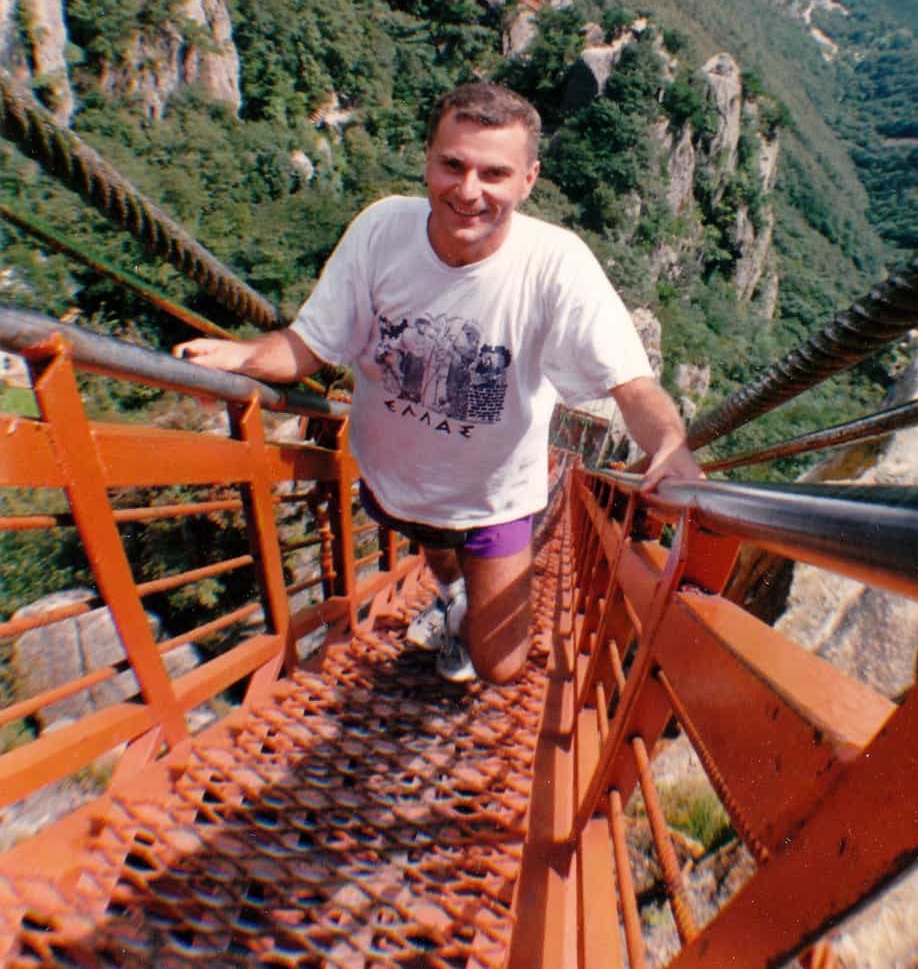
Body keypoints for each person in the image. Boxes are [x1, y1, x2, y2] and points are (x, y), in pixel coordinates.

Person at [174, 82, 704, 685]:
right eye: (452, 165)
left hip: (495, 496)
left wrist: (668, 442)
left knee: (501, 668)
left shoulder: (557, 264)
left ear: (528, 180)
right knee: (435, 547)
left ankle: (463, 602)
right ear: (427, 158)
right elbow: (308, 345)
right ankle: (451, 595)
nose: (469, 191)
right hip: (396, 481)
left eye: (494, 173)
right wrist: (240, 356)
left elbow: (631, 384)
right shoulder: (381, 230)